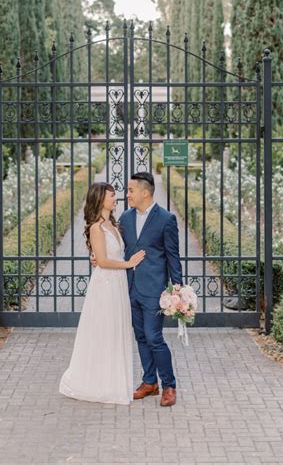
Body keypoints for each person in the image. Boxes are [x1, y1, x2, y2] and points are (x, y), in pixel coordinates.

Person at [93, 171, 183, 407]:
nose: (127, 194)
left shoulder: (166, 219)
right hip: (129, 288)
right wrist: (97, 257)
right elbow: (114, 246)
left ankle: (169, 385)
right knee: (141, 336)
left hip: (154, 290)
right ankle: (149, 382)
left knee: (154, 337)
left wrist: (177, 290)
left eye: (131, 190)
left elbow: (173, 257)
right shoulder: (125, 217)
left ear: (145, 192)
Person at [59, 182, 145, 405]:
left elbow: (103, 257)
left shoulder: (112, 224)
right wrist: (129, 263)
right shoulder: (96, 227)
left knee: (116, 330)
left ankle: (114, 380)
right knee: (105, 331)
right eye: (111, 195)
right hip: (106, 285)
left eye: (115, 195)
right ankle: (100, 383)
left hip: (116, 284)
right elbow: (104, 261)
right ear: (99, 199)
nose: (115, 198)